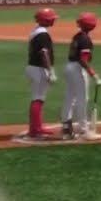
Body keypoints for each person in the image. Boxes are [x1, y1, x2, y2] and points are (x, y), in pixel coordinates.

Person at [61, 12, 101, 141]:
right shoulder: (85, 39)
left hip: (69, 67)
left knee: (70, 98)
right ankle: (84, 130)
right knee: (82, 99)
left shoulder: (77, 36)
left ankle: (66, 129)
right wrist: (93, 74)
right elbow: (83, 60)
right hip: (77, 69)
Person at [24, 8, 59, 139]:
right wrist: (50, 71)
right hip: (39, 69)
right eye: (52, 18)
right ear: (46, 20)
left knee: (38, 98)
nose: (54, 20)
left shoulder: (36, 31)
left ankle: (37, 127)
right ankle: (35, 130)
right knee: (38, 99)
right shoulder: (43, 34)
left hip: (34, 68)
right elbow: (44, 53)